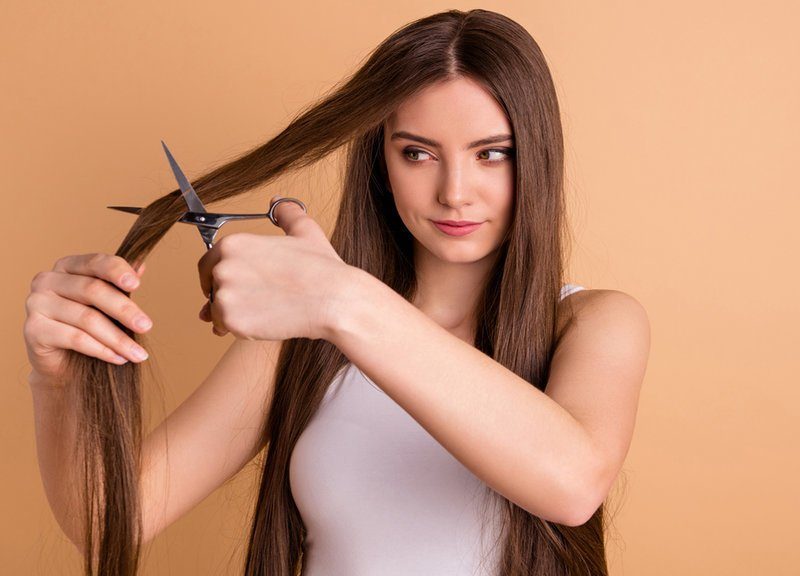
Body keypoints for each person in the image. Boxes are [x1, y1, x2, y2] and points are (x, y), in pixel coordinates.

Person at [23, 8, 650, 576]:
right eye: (418, 153)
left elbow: (571, 484)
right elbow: (108, 522)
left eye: (492, 154)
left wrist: (341, 300)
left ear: (536, 158)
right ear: (380, 161)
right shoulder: (305, 337)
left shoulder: (594, 323)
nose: (455, 191)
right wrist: (55, 379)